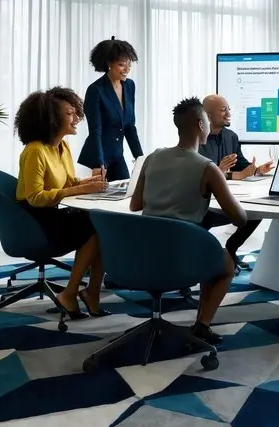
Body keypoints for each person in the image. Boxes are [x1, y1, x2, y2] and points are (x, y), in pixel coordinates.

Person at [129, 97, 247, 345]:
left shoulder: (152, 157)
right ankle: (202, 325)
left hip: (143, 251)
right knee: (225, 265)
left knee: (209, 247)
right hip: (183, 253)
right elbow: (239, 218)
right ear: (200, 124)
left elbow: (135, 205)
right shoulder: (207, 167)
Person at [15, 87, 111, 320]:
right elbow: (35, 197)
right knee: (96, 230)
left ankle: (91, 293)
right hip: (36, 219)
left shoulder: (62, 146)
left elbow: (67, 182)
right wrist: (80, 188)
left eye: (76, 112)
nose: (77, 118)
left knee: (103, 225)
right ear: (51, 118)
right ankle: (70, 293)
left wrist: (89, 181)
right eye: (70, 114)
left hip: (54, 212)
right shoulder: (35, 151)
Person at [199, 94, 274, 271]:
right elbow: (199, 175)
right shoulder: (198, 140)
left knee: (256, 213)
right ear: (208, 116)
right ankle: (204, 259)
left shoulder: (231, 136)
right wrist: (226, 173)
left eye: (229, 109)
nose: (228, 113)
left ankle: (230, 250)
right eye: (223, 109)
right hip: (203, 204)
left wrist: (255, 170)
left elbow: (240, 163)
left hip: (226, 200)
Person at [78, 37, 144, 182]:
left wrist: (140, 159)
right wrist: (99, 163)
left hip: (118, 155)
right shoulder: (96, 90)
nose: (127, 70)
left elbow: (129, 127)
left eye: (129, 65)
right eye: (121, 65)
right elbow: (95, 130)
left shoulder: (129, 86)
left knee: (127, 192)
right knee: (102, 198)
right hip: (101, 156)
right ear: (109, 64)